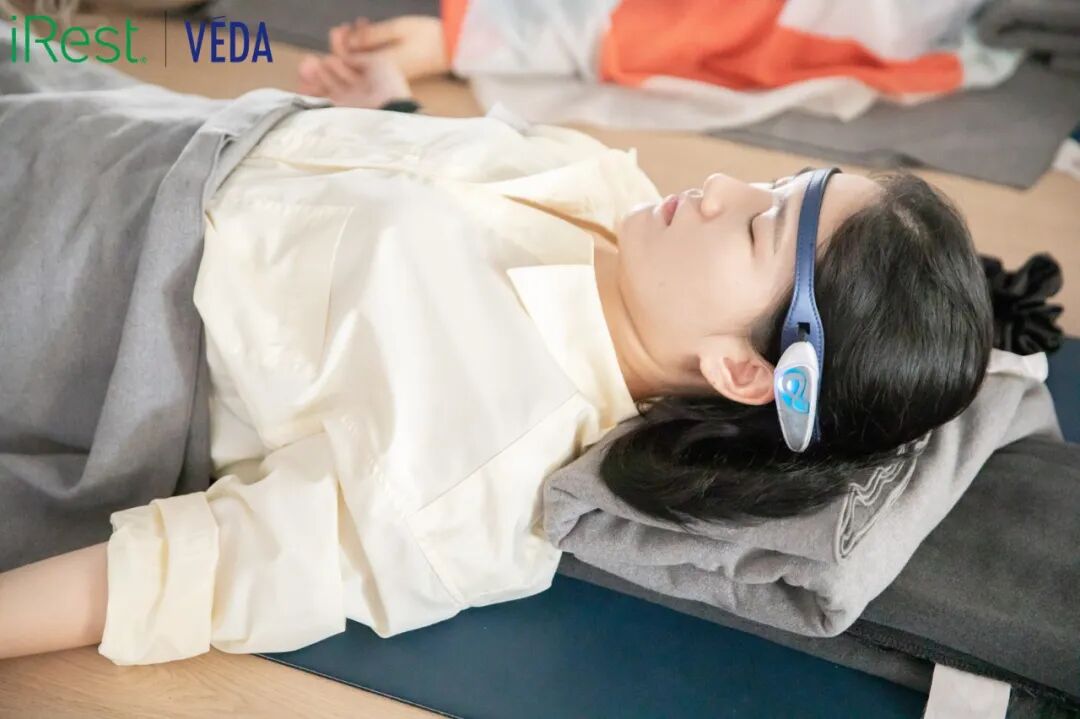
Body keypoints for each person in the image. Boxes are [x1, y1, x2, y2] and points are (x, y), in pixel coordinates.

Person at [0, 45, 992, 667]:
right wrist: (396, 110)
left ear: (746, 369)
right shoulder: (610, 186)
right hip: (138, 123)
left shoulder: (474, 488)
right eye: (779, 182)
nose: (724, 187)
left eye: (759, 227)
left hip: (84, 283)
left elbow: (182, 571)